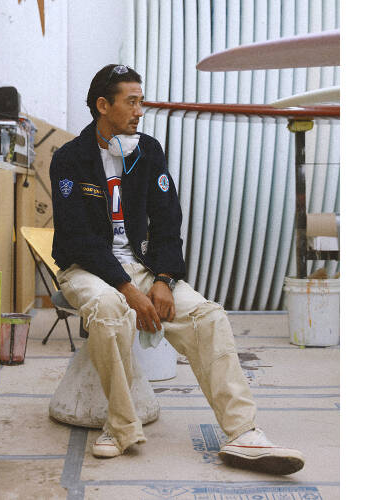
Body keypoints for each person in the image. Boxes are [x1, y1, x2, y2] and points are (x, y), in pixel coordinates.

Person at [50, 64, 305, 475]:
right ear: (103, 105)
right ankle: (120, 427)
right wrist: (127, 290)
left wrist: (165, 280)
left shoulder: (148, 151)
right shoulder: (69, 159)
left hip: (143, 266)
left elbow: (169, 222)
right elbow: (78, 239)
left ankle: (243, 432)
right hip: (86, 269)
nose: (140, 111)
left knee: (208, 315)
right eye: (132, 102)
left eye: (141, 102)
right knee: (109, 310)